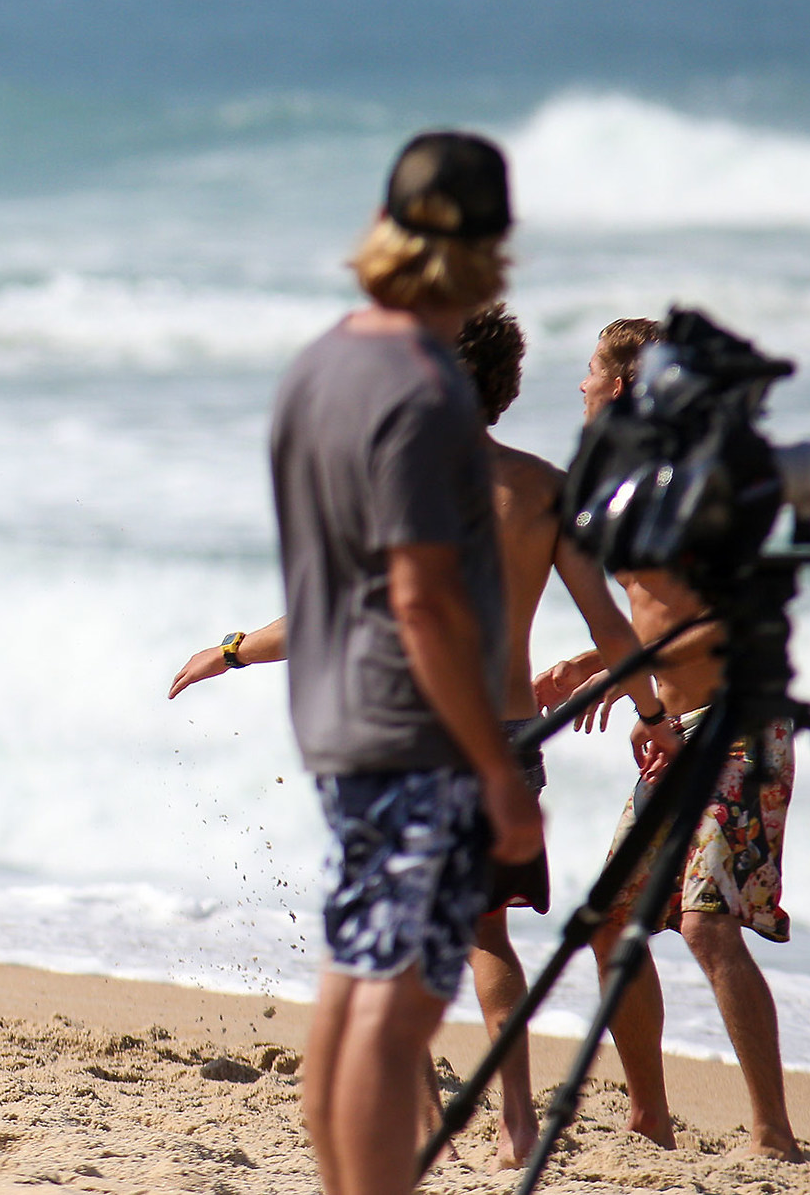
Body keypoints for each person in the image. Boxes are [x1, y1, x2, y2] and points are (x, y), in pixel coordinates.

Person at [171, 303, 676, 1170]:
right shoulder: (545, 487)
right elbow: (616, 630)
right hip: (509, 732)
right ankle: (518, 1117)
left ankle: (416, 1124)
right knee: (487, 935)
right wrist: (653, 716)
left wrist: (232, 651)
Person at [262, 131, 542, 1195]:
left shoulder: (322, 362)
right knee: (396, 1008)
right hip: (415, 729)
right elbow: (421, 602)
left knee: (352, 989)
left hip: (335, 717)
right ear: (488, 245)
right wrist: (497, 764)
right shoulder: (426, 393)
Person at [533, 317, 802, 1161]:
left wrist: (621, 679)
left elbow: (726, 620)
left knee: (705, 924)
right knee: (610, 923)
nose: (577, 385)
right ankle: (650, 1111)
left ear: (618, 387)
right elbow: (659, 612)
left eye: (587, 372)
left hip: (733, 727)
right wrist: (596, 659)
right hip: (674, 732)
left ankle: (774, 1135)